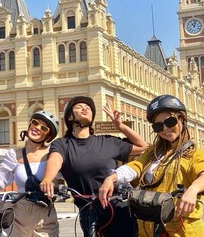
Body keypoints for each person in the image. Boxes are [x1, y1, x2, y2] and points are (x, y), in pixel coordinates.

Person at [99, 94, 204, 237]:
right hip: (150, 228)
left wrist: (193, 190)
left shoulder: (193, 153)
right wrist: (112, 178)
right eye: (158, 126)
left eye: (170, 122)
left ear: (182, 120)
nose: (165, 129)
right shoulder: (152, 152)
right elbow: (136, 166)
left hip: (184, 229)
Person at [40, 96, 148, 237]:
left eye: (89, 108)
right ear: (70, 116)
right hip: (88, 211)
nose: (85, 108)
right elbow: (55, 160)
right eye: (79, 107)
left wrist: (120, 126)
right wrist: (48, 179)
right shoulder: (62, 144)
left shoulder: (107, 141)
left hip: (118, 207)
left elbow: (143, 146)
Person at [0, 111, 60, 237]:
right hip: (20, 213)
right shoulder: (14, 154)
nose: (37, 128)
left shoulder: (54, 155)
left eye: (43, 128)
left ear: (48, 136)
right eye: (35, 122)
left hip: (46, 214)